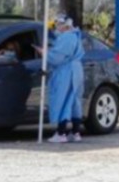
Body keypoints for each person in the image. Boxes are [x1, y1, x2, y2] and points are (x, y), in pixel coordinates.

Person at [35, 13, 84, 143]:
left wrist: (44, 53)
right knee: (74, 102)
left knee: (63, 101)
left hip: (66, 72)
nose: (57, 27)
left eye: (59, 24)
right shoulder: (75, 36)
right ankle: (76, 132)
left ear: (65, 25)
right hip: (76, 70)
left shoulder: (67, 38)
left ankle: (61, 133)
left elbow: (57, 57)